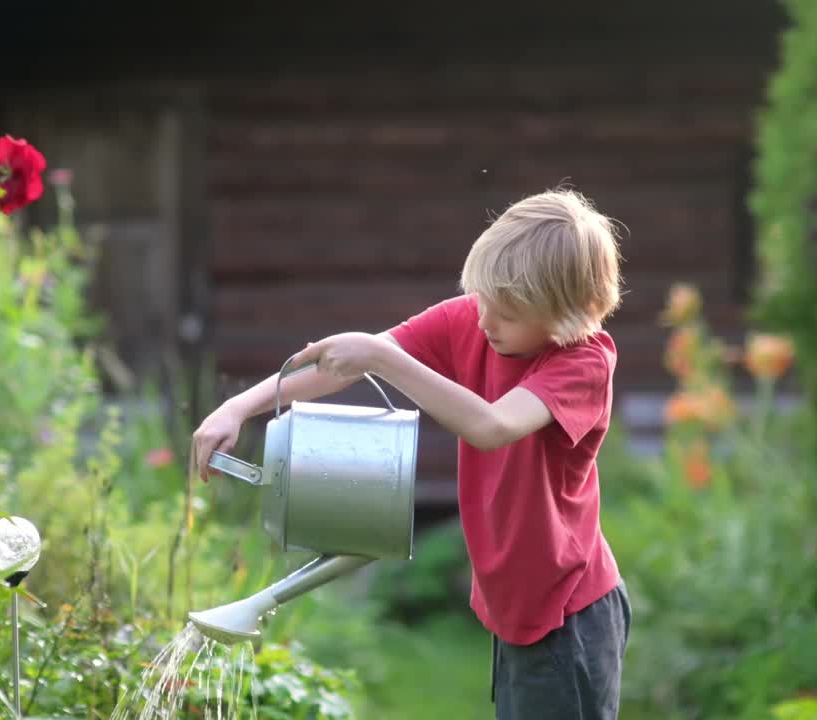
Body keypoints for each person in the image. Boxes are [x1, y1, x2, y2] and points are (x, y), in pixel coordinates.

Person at [191, 187, 631, 720]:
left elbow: (491, 427)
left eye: (508, 313)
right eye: (483, 299)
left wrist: (381, 356)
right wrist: (238, 407)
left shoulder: (582, 364)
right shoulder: (476, 320)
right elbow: (343, 366)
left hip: (570, 616)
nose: (486, 320)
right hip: (517, 606)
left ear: (565, 316)